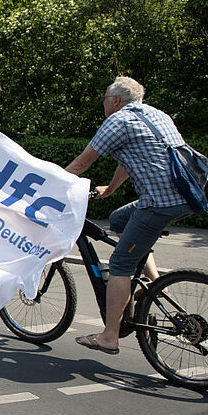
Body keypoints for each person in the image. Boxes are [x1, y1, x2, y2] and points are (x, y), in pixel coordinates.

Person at [65, 76, 194, 355]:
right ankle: (158, 285)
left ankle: (110, 336)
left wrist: (50, 185)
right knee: (120, 220)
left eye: (104, 99)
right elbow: (133, 157)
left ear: (115, 100)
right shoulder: (156, 115)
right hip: (185, 196)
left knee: (121, 263)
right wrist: (110, 189)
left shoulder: (117, 121)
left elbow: (82, 162)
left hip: (157, 202)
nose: (104, 104)